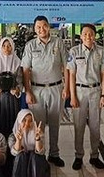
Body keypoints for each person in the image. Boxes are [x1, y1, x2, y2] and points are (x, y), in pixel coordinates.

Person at [21, 16, 69, 167]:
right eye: (38, 27)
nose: (41, 29)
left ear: (49, 27)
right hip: (36, 90)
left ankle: (54, 154)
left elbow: (67, 66)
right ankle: (39, 154)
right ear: (35, 29)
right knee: (38, 125)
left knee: (55, 123)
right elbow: (26, 70)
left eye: (44, 26)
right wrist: (28, 91)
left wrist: (66, 87)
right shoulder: (30, 46)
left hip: (56, 88)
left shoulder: (58, 43)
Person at [67, 24, 104, 170]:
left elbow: (103, 75)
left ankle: (95, 156)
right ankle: (78, 156)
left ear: (94, 35)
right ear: (81, 36)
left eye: (90, 34)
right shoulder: (74, 51)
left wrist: (103, 94)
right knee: (79, 126)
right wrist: (72, 96)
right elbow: (71, 75)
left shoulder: (101, 51)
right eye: (85, 34)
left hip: (96, 91)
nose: (88, 36)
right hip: (79, 92)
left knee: (95, 126)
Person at [0, 37, 22, 138]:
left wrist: (17, 89)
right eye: (4, 46)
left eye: (9, 46)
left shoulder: (17, 62)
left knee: (12, 122)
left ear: (13, 47)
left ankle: (11, 149)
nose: (6, 48)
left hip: (12, 98)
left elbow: (19, 80)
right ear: (0, 47)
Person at [8, 109, 50, 177]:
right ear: (19, 121)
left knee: (35, 156)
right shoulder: (12, 136)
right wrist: (18, 140)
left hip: (35, 163)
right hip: (21, 164)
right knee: (20, 156)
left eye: (30, 121)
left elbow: (41, 152)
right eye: (24, 120)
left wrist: (37, 139)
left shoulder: (38, 133)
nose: (27, 124)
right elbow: (14, 153)